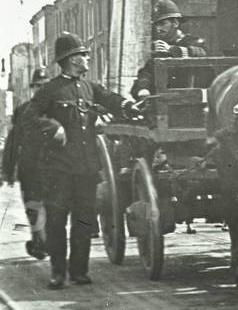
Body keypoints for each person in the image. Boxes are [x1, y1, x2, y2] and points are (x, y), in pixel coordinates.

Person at [22, 33, 137, 288]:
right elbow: (29, 119)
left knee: (84, 221)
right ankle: (58, 273)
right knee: (57, 221)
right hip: (58, 169)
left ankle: (79, 271)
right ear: (71, 60)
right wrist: (53, 127)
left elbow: (109, 98)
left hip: (85, 168)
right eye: (83, 55)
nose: (87, 58)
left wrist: (127, 106)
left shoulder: (89, 87)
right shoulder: (49, 90)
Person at [1, 67, 50, 259]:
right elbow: (13, 142)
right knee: (33, 207)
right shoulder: (23, 111)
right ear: (32, 88)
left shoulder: (59, 109)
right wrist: (6, 171)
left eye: (44, 86)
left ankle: (44, 241)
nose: (40, 90)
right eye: (37, 86)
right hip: (30, 168)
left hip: (54, 166)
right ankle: (38, 241)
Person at [131, 0, 208, 100]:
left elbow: (201, 54)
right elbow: (147, 72)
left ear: (175, 23)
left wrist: (172, 50)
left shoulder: (192, 42)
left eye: (163, 24)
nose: (159, 29)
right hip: (165, 102)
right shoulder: (160, 48)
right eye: (157, 25)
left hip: (190, 102)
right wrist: (142, 88)